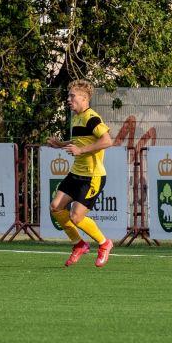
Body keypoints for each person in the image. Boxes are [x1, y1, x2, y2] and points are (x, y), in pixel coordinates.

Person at [46, 79, 114, 267]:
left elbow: (107, 141)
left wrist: (81, 151)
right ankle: (79, 244)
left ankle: (104, 243)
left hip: (92, 176)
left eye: (72, 96)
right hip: (76, 172)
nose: (68, 100)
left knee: (76, 217)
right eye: (68, 96)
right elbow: (80, 141)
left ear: (84, 98)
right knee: (56, 207)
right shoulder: (76, 117)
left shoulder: (92, 118)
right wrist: (61, 144)